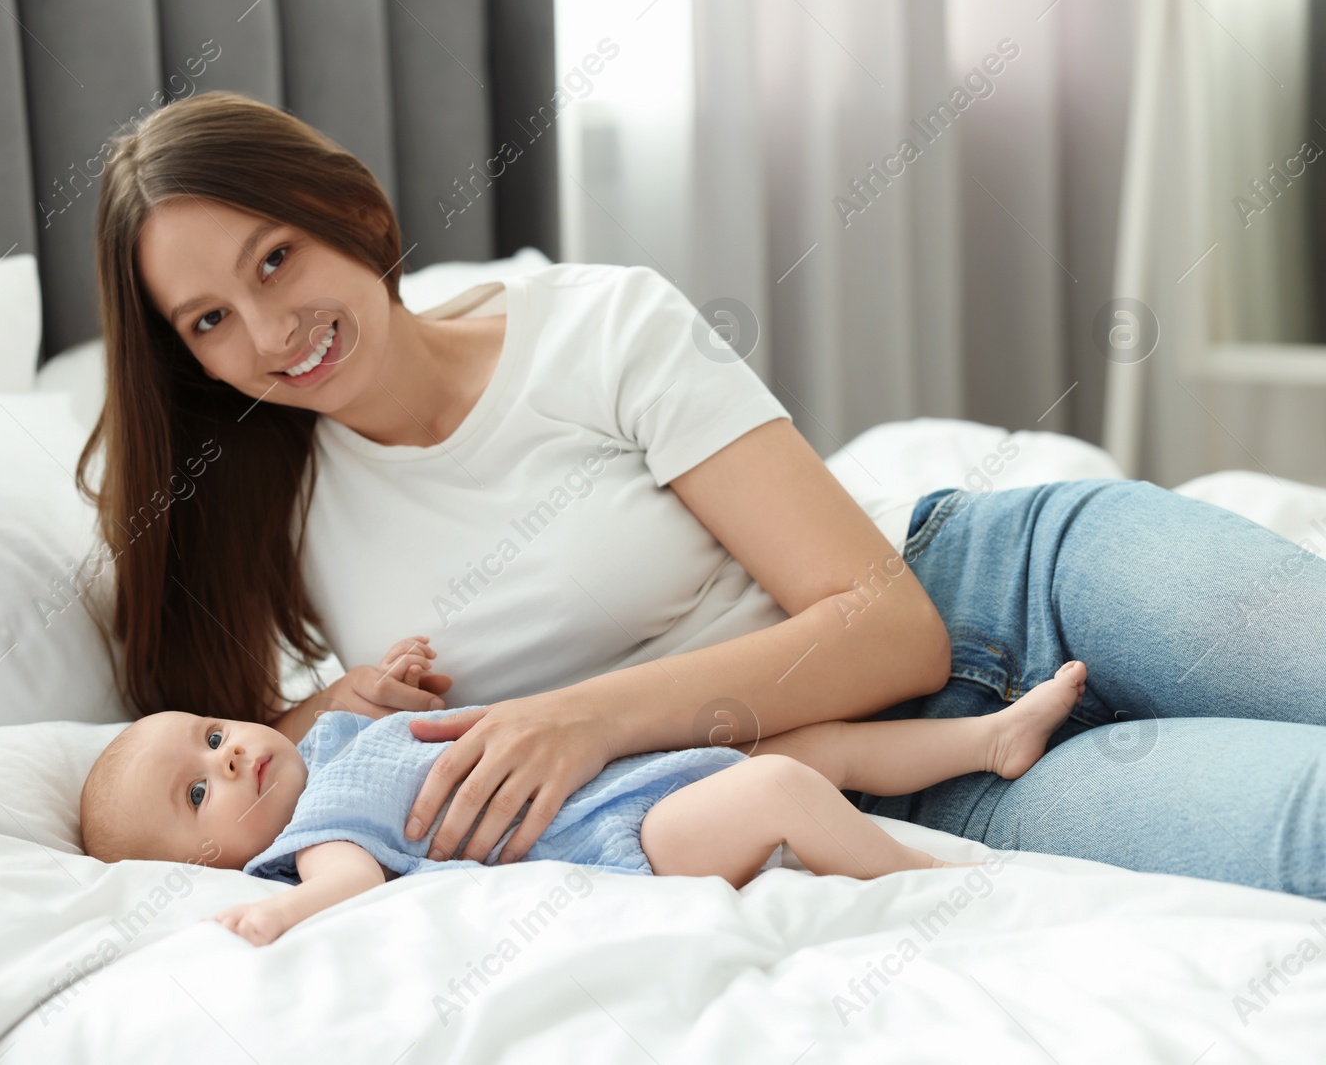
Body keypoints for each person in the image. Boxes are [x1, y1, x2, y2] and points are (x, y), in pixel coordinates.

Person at [78, 90, 1326, 901]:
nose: (272, 327)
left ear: (347, 210)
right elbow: (216, 758)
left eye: (276, 257)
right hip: (895, 777)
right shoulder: (261, 504)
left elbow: (893, 629)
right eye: (209, 318)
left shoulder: (595, 324)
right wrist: (322, 706)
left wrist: (583, 719)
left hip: (1012, 582)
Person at [79, 640, 1088, 946]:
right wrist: (281, 908)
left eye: (212, 734)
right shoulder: (314, 831)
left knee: (813, 744)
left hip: (621, 771)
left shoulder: (333, 741)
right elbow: (340, 881)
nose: (230, 758)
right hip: (622, 832)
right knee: (779, 784)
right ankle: (924, 883)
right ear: (207, 859)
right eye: (199, 792)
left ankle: (988, 735)